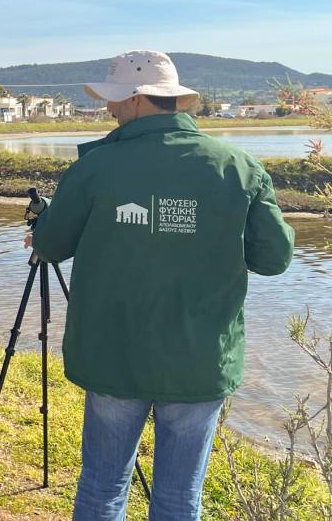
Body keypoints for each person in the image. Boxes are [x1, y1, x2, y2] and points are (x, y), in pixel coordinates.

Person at [29, 50, 295, 519]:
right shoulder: (238, 167)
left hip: (114, 353)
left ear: (136, 99)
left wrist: (52, 219)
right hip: (199, 357)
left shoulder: (95, 167)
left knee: (103, 486)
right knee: (178, 497)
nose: (108, 108)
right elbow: (274, 259)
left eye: (114, 99)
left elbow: (50, 245)